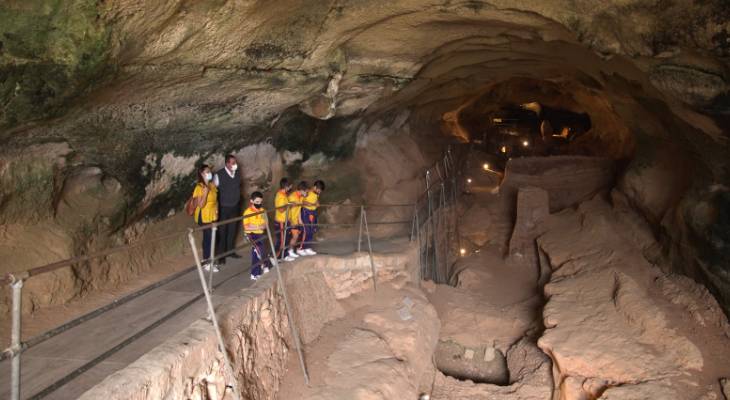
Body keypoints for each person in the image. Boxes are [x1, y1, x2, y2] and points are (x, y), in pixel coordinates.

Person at [214, 154, 242, 264]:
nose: (235, 164)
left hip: (235, 206)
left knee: (232, 230)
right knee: (222, 231)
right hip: (224, 207)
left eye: (235, 162)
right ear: (227, 163)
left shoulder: (237, 173)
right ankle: (221, 255)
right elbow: (214, 191)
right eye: (233, 163)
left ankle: (230, 251)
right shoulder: (219, 175)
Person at [192, 164, 219, 272]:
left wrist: (217, 212)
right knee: (208, 237)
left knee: (213, 237)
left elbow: (216, 200)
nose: (209, 173)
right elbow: (201, 205)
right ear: (202, 174)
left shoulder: (212, 185)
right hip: (203, 215)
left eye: (209, 171)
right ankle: (206, 262)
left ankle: (210, 260)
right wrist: (205, 193)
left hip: (212, 214)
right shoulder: (199, 187)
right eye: (207, 172)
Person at [242, 192, 271, 281]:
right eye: (257, 202)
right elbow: (246, 226)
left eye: (260, 202)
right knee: (258, 251)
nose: (259, 204)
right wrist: (258, 226)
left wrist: (263, 225)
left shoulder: (262, 210)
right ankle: (257, 271)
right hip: (252, 234)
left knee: (258, 252)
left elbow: (266, 222)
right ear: (252, 201)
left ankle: (259, 270)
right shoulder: (248, 212)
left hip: (260, 234)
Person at [287, 181, 311, 258]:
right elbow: (288, 210)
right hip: (291, 220)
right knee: (295, 236)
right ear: (301, 190)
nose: (307, 193)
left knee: (297, 235)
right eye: (306, 191)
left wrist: (300, 220)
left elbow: (298, 209)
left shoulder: (300, 197)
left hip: (296, 219)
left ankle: (293, 250)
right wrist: (290, 221)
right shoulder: (292, 197)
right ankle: (289, 251)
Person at [301, 180, 325, 255]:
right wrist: (311, 204)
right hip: (306, 212)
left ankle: (308, 247)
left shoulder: (316, 193)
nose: (319, 192)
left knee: (312, 229)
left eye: (320, 191)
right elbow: (302, 201)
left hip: (313, 212)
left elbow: (316, 200)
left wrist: (317, 203)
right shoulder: (308, 192)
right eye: (319, 190)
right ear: (315, 187)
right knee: (307, 230)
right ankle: (303, 248)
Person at [274, 178, 295, 262]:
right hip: (281, 222)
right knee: (282, 241)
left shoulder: (284, 194)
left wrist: (289, 204)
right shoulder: (280, 196)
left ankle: (284, 255)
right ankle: (276, 257)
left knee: (286, 239)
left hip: (285, 220)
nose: (291, 187)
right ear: (287, 186)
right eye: (290, 186)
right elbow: (281, 209)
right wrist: (289, 205)